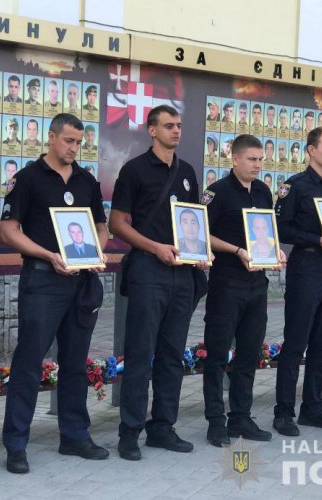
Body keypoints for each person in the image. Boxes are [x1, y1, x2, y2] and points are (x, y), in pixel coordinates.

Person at [1, 113, 110, 473]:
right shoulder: (28, 178)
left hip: (81, 283)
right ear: (51, 137)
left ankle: (75, 435)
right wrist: (48, 255)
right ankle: (16, 443)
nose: (74, 148)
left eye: (79, 142)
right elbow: (8, 230)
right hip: (43, 282)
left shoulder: (86, 181)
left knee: (76, 362)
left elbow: (100, 227)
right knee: (29, 362)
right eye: (68, 140)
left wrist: (96, 251)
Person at [109, 105, 208, 461]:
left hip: (183, 273)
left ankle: (163, 427)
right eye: (168, 125)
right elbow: (117, 224)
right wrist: (155, 248)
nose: (176, 131)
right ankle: (129, 432)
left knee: (172, 354)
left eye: (179, 125)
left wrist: (199, 251)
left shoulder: (187, 172)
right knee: (140, 353)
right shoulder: (134, 170)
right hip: (149, 269)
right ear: (152, 130)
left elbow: (192, 221)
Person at [201, 134, 281, 447]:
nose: (258, 165)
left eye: (261, 159)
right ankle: (215, 422)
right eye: (252, 159)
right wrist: (236, 250)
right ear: (235, 159)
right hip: (227, 284)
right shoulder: (217, 192)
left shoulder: (262, 191)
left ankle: (240, 417)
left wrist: (275, 250)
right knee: (217, 355)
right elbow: (203, 234)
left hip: (257, 285)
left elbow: (268, 231)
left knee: (249, 354)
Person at [273, 126, 322, 436]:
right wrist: (315, 239)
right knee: (296, 341)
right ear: (311, 150)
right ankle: (283, 412)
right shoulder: (295, 186)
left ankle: (313, 408)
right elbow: (281, 228)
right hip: (305, 267)